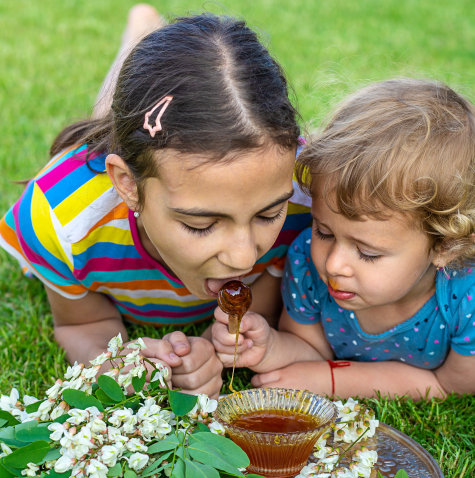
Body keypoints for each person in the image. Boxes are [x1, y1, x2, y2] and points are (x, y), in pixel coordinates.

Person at [0, 7, 312, 398]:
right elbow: (81, 327)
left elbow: (261, 307)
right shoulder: (64, 219)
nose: (243, 258)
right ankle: (141, 31)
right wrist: (114, 361)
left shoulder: (303, 199)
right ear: (126, 185)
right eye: (201, 225)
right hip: (110, 181)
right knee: (111, 121)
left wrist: (213, 350)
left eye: (268, 214)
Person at [212, 79, 475, 399]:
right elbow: (310, 348)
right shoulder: (306, 261)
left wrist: (332, 381)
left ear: (444, 245)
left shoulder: (465, 295)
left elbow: (450, 385)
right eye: (323, 231)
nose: (333, 263)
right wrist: (270, 348)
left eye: (367, 253)